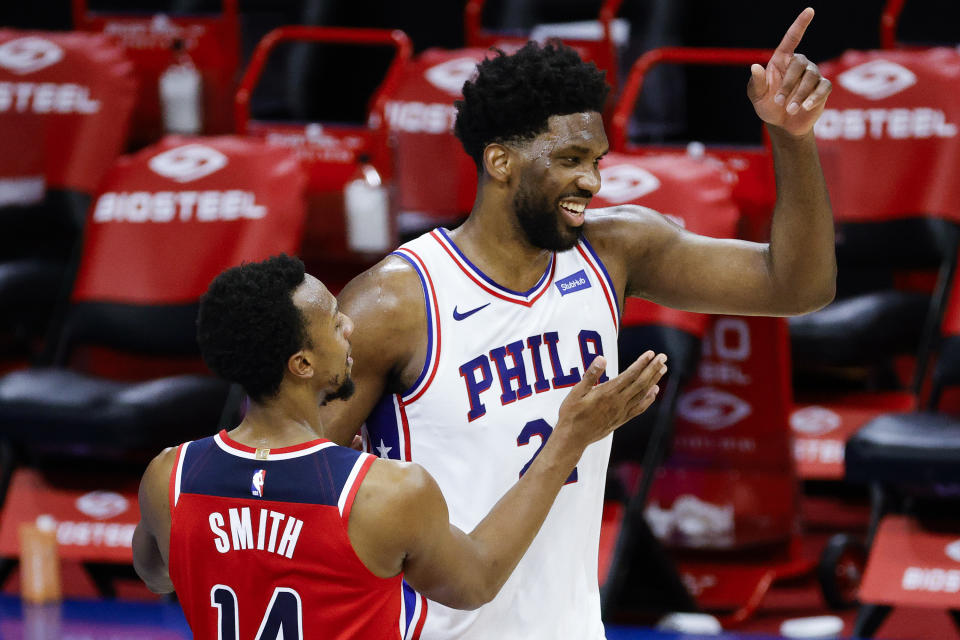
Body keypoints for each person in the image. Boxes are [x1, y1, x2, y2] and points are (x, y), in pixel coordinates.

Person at [320, 7, 836, 639]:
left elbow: (799, 287)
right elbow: (283, 482)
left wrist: (792, 135)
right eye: (569, 159)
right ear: (501, 161)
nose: (591, 180)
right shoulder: (394, 303)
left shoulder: (614, 249)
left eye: (597, 158)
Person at [131, 254, 666, 639]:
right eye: (334, 323)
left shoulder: (168, 476)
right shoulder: (381, 493)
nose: (350, 328)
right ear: (302, 365)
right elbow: (476, 581)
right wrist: (567, 440)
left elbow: (157, 573)